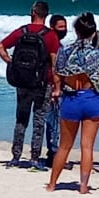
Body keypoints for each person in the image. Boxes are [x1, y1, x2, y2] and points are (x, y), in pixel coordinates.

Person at [46, 12, 99, 195]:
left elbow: (57, 72)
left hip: (72, 99)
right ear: (93, 32)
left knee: (64, 146)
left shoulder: (64, 52)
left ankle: (52, 184)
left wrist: (58, 88)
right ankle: (83, 186)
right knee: (87, 146)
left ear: (76, 31)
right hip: (92, 99)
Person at [0, 1, 61, 169]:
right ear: (46, 15)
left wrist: (11, 63)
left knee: (21, 119)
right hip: (42, 83)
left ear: (33, 12)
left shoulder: (22, 31)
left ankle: (15, 156)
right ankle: (34, 159)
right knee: (39, 120)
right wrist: (56, 86)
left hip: (23, 82)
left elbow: (0, 47)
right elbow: (54, 64)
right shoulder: (51, 35)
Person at [44, 13, 69, 165]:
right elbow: (54, 68)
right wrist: (56, 87)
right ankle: (53, 154)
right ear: (52, 27)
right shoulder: (53, 44)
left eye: (65, 27)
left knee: (52, 120)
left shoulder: (55, 43)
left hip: (51, 84)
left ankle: (52, 153)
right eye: (61, 27)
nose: (64, 30)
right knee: (53, 121)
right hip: (51, 84)